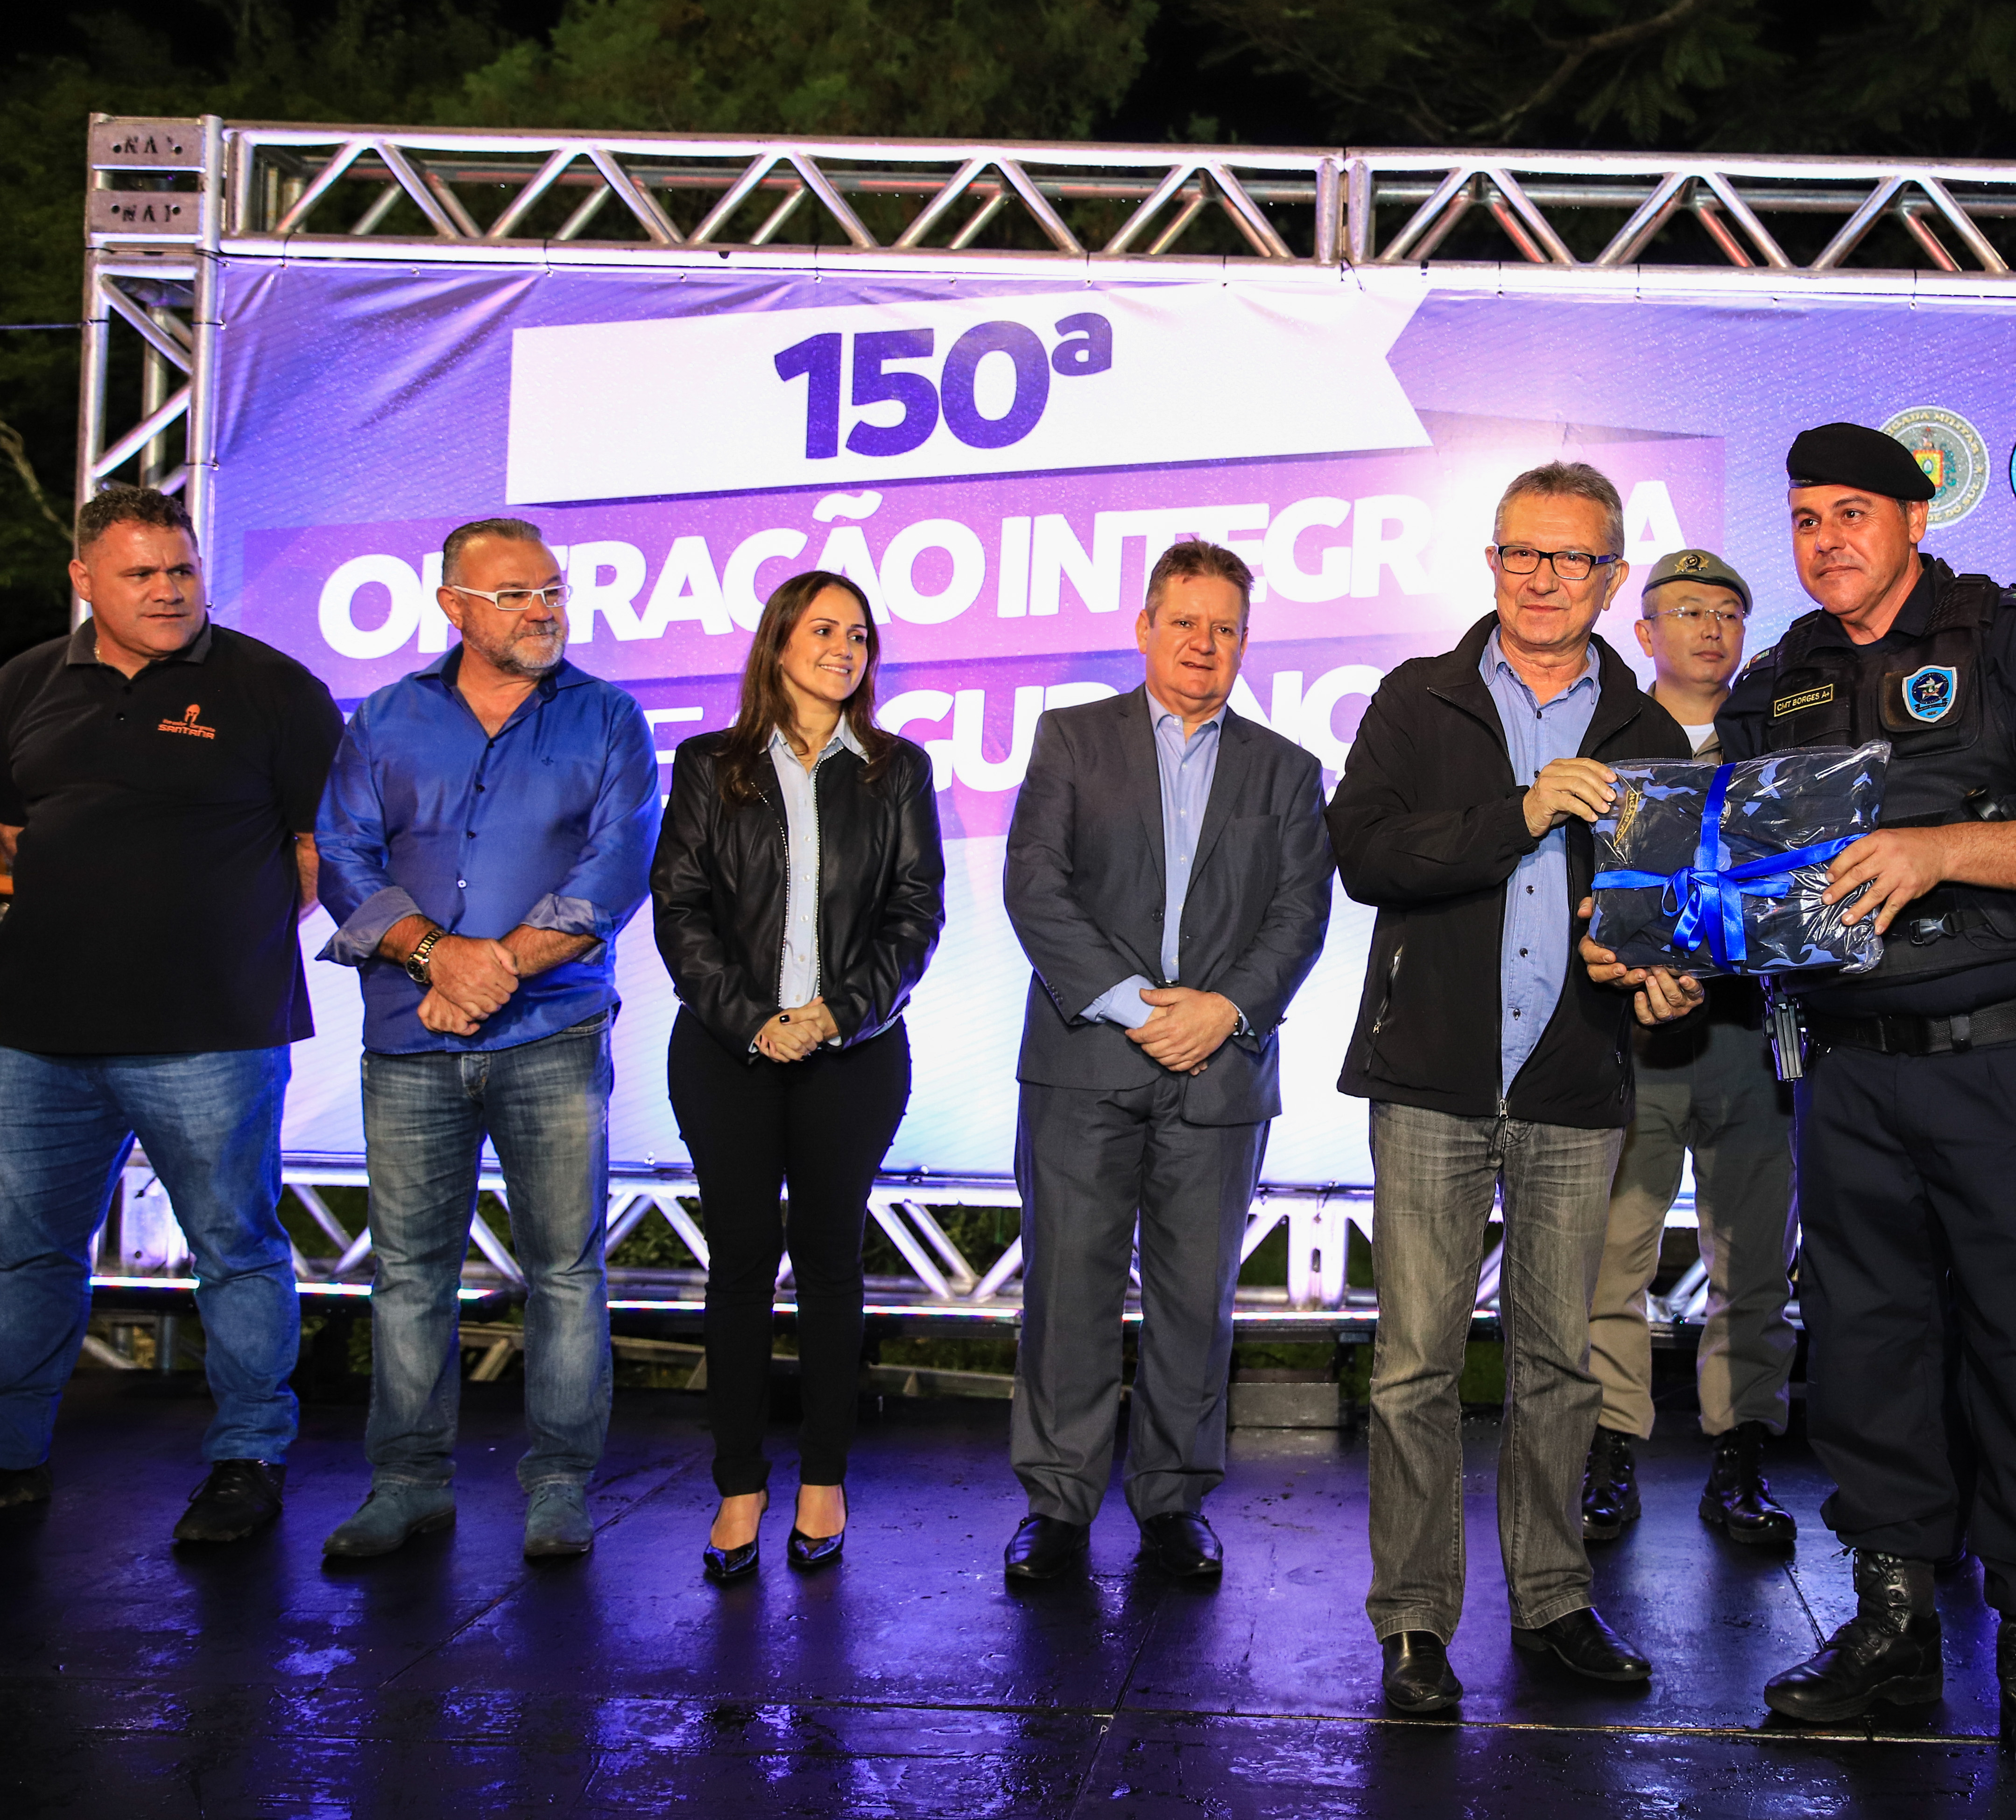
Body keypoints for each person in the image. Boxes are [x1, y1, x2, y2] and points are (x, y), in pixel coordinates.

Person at [1672, 424, 2016, 1802]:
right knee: (1868, 1348)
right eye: (1805, 518)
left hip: (2004, 1062)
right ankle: (1890, 1626)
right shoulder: (1780, 680)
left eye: (1852, 513)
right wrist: (1658, 934)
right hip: (1845, 1064)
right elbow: (1733, 875)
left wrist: (1941, 848)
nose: (1825, 539)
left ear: (1916, 517)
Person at [1332, 462, 1695, 1717]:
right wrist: (1521, 810)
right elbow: (1364, 854)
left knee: (1559, 1363)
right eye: (1520, 554)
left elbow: (1661, 923)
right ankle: (1414, 1621)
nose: (1543, 579)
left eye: (1571, 558)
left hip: (1575, 1081)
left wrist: (1658, 978)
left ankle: (1550, 1598)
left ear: (1613, 576)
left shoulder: (1649, 737)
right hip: (1430, 1077)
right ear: (1491, 562)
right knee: (1414, 1368)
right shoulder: (1418, 696)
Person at [0, 483, 342, 1543]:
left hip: (212, 1031)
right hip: (38, 1034)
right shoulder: (23, 683)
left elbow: (320, 849)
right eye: (141, 572)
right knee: (26, 1253)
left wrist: (220, 934)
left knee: (235, 1247)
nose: (167, 589)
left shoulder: (271, 688)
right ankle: (13, 1455)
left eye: (182, 570)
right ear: (84, 580)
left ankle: (248, 1458)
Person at [315, 517, 659, 1563]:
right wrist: (437, 959)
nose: (543, 609)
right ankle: (408, 1483)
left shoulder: (608, 718)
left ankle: (558, 1486)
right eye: (514, 594)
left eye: (551, 590)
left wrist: (487, 968)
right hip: (409, 1038)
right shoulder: (386, 717)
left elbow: (615, 871)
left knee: (565, 1270)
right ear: (454, 607)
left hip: (552, 1032)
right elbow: (343, 857)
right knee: (411, 1272)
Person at [999, 541, 1333, 1586]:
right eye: (1184, 622)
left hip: (1219, 1071)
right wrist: (1137, 1006)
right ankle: (1057, 1504)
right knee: (1067, 1291)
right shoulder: (1071, 738)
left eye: (1225, 627)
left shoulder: (1287, 769)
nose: (1203, 643)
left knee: (1197, 1300)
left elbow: (1300, 915)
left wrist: (1223, 1011)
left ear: (1245, 642)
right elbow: (1034, 886)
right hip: (1085, 1061)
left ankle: (1174, 1501)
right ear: (1144, 628)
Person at [650, 570, 944, 1582]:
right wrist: (754, 1022)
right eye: (824, 630)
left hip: (853, 1054)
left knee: (829, 1264)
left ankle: (824, 1479)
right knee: (738, 1266)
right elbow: (679, 908)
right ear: (779, 643)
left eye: (859, 635)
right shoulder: (709, 764)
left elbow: (916, 914)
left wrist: (836, 1014)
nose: (844, 649)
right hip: (727, 1052)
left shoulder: (897, 770)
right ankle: (739, 1487)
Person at [1581, 548, 1800, 1551]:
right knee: (1608, 1259)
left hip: (1751, 1034)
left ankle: (1740, 1454)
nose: (1711, 628)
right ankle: (1608, 1449)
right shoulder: (1608, 738)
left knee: (1753, 1263)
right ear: (1645, 631)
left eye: (1727, 612)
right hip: (1630, 1038)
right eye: (1687, 611)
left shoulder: (1779, 742)